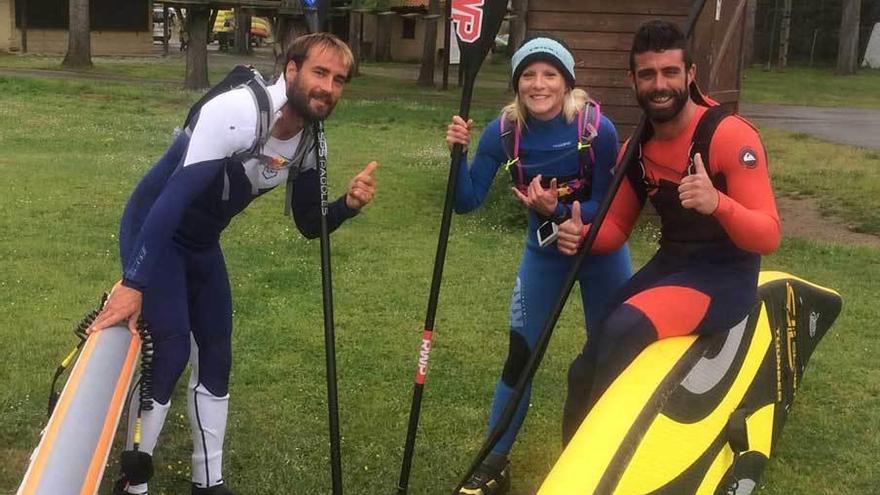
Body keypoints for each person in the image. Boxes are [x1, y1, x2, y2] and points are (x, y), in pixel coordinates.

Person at [88, 33, 378, 495]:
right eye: (319, 73)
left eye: (339, 80)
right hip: (155, 227)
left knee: (217, 355)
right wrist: (133, 281)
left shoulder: (310, 142)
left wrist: (347, 205)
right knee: (171, 348)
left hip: (201, 243)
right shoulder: (241, 110)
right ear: (291, 70)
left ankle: (209, 482)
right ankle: (133, 485)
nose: (328, 87)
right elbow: (174, 197)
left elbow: (309, 223)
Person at [556, 20, 781, 442]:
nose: (660, 85)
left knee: (624, 332)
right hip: (673, 266)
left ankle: (610, 455)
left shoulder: (729, 136)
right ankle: (574, 466)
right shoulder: (635, 150)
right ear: (633, 80)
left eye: (670, 72)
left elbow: (768, 235)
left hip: (725, 278)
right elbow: (617, 227)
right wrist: (582, 235)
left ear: (690, 74)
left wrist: (719, 204)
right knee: (585, 364)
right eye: (648, 74)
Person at [445, 35, 632, 495]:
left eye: (550, 74)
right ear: (517, 84)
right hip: (544, 256)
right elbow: (466, 202)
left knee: (617, 354)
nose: (538, 84)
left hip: (599, 254)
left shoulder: (597, 131)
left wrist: (557, 210)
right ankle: (493, 462)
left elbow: (609, 205)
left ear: (567, 82)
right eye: (528, 75)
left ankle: (613, 455)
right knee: (520, 357)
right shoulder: (504, 133)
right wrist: (458, 154)